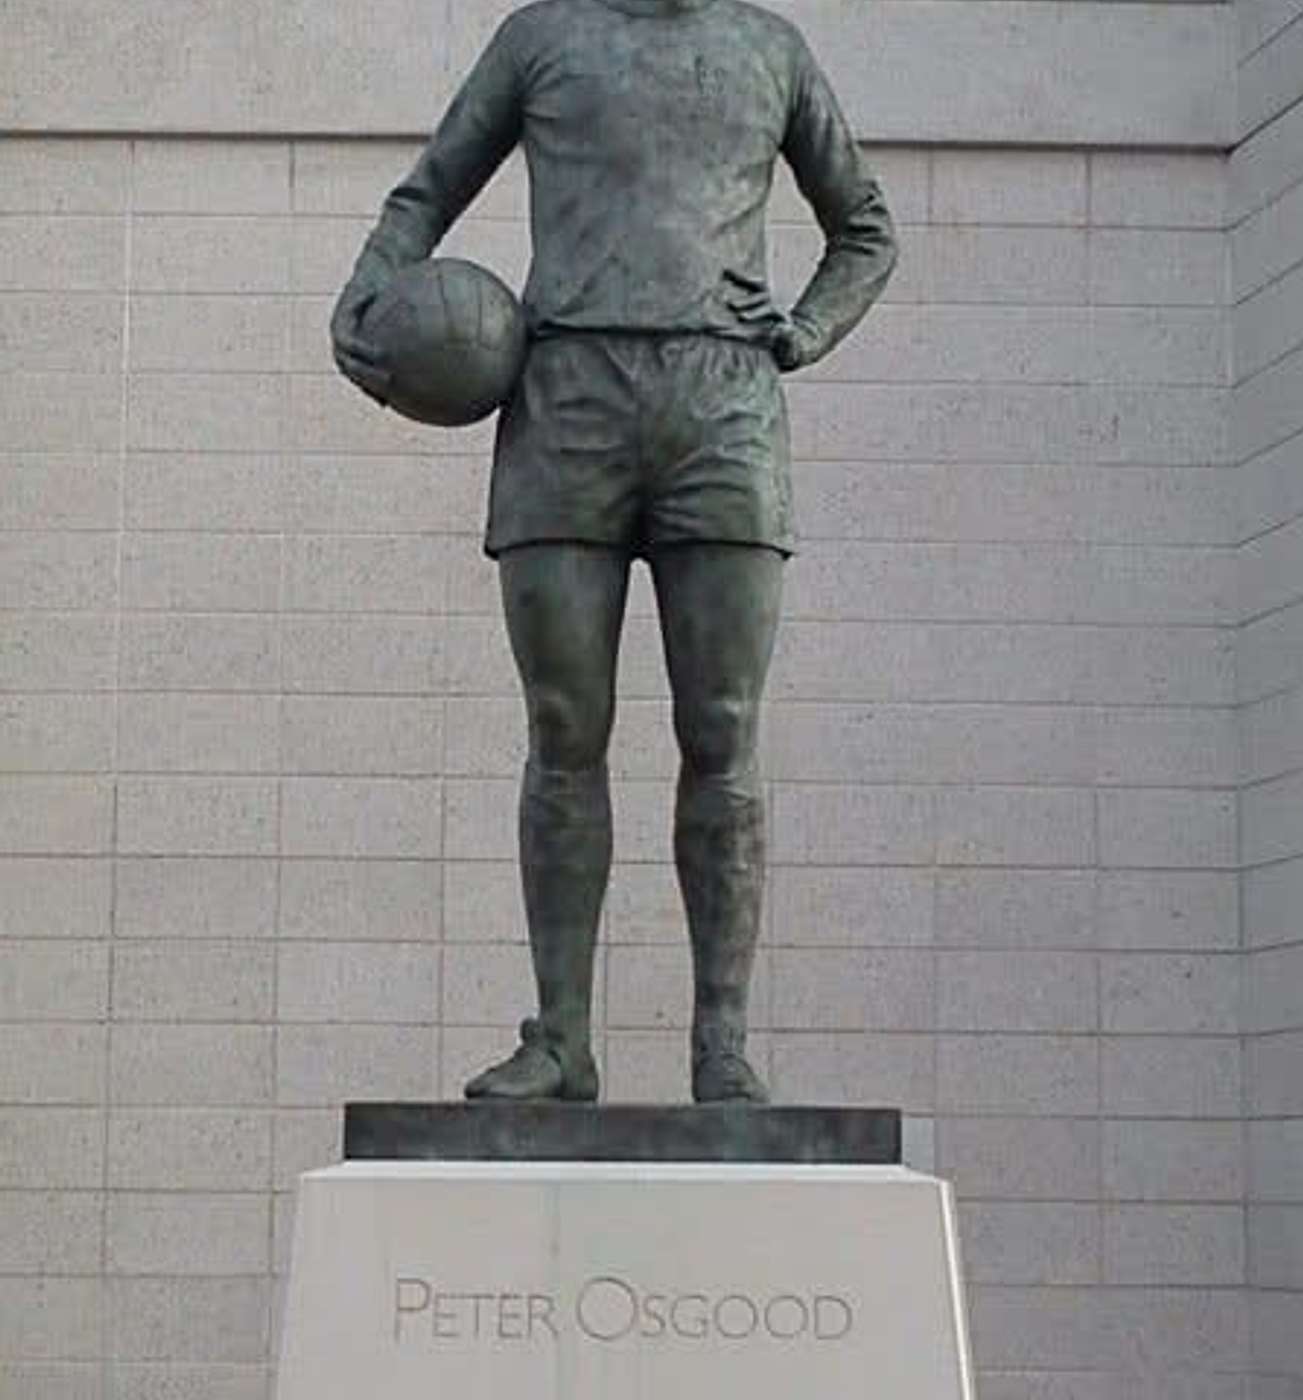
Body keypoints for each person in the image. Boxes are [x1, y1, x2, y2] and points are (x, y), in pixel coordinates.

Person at [331, 0, 897, 1103]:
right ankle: (561, 1039)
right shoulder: (542, 37)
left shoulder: (770, 48)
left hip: (722, 404)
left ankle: (720, 1042)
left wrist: (807, 327)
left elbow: (864, 226)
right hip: (567, 400)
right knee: (561, 725)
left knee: (721, 729)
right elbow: (429, 190)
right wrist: (365, 293)